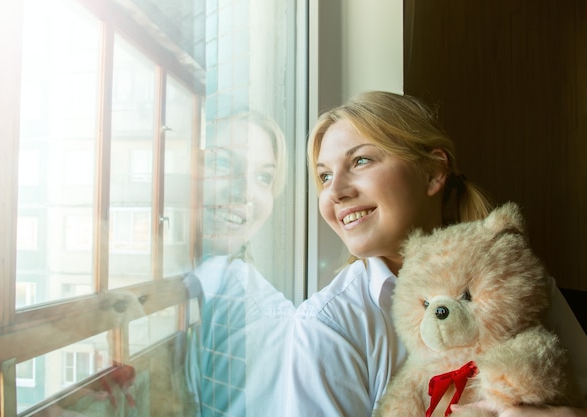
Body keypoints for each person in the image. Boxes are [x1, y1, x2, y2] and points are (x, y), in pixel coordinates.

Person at [284, 91, 587, 417]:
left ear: (433, 172)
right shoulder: (327, 324)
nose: (335, 191)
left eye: (361, 161)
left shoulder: (518, 281)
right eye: (324, 176)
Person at [185, 110, 295, 417]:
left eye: (264, 177)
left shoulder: (260, 320)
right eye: (222, 163)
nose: (245, 192)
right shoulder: (176, 287)